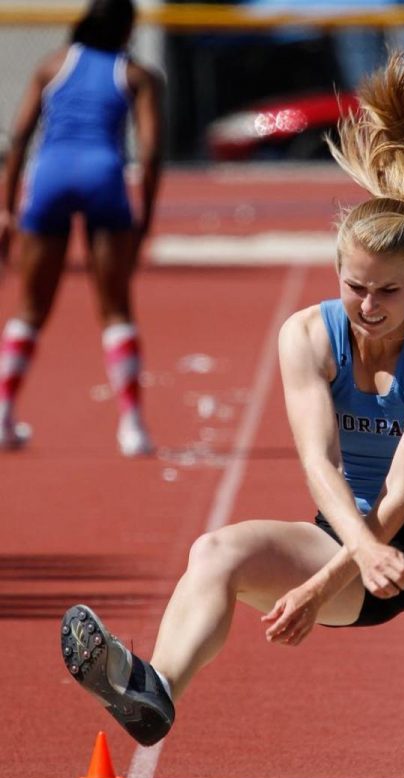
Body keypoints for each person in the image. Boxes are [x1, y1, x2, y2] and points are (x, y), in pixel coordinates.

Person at [60, 54, 404, 761]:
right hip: (342, 536)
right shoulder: (306, 336)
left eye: (387, 292)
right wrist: (347, 560)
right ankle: (152, 687)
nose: (368, 306)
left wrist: (324, 584)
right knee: (216, 552)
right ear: (338, 272)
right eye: (355, 286)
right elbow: (317, 460)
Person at [0, 0, 163, 455]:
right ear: (128, 29)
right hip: (103, 177)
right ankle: (131, 426)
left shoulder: (52, 65)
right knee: (115, 310)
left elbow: (18, 139)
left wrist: (6, 211)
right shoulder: (136, 75)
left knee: (31, 307)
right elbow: (149, 153)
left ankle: (4, 412)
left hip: (48, 174)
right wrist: (145, 218)